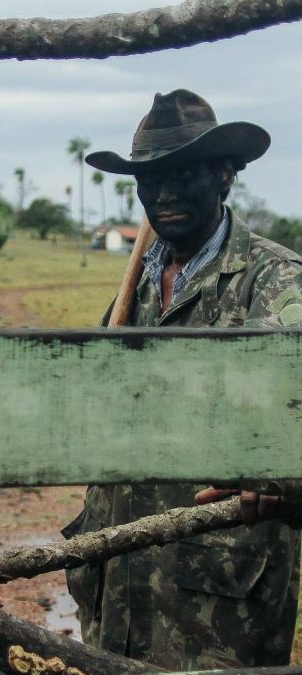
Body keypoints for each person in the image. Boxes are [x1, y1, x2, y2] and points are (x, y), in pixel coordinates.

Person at [63, 89, 302, 671]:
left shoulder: (277, 285)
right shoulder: (137, 284)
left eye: (182, 173)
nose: (164, 192)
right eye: (150, 178)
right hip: (117, 577)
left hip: (216, 602)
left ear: (225, 174)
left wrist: (280, 474)